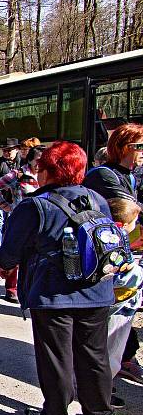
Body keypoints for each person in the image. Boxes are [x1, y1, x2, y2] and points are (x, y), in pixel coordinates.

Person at [0, 141, 117, 415]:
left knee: (56, 357)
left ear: (47, 171)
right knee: (95, 354)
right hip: (97, 290)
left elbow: (10, 252)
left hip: (54, 294)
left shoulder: (35, 205)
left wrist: (8, 266)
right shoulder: (97, 200)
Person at [83, 123, 143, 385]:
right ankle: (97, 380)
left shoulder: (130, 174)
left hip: (128, 252)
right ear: (121, 147)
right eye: (138, 146)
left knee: (124, 311)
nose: (142, 152)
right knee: (111, 315)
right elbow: (132, 210)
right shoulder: (104, 175)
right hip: (109, 257)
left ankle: (118, 363)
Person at [0, 146, 44, 303]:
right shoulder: (19, 174)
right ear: (30, 160)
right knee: (15, 254)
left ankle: (30, 287)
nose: (41, 164)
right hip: (19, 221)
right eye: (38, 160)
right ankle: (11, 289)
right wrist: (6, 206)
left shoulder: (46, 175)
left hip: (39, 223)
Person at [105, 197, 142, 408]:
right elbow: (125, 277)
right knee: (111, 352)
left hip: (106, 304)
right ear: (123, 225)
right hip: (119, 305)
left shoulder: (106, 239)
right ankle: (101, 392)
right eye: (134, 222)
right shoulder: (118, 245)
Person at [0, 138, 22, 256]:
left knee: (12, 223)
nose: (6, 153)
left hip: (16, 198)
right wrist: (4, 185)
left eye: (9, 151)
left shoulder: (22, 162)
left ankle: (9, 246)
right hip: (0, 197)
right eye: (4, 151)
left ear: (16, 149)